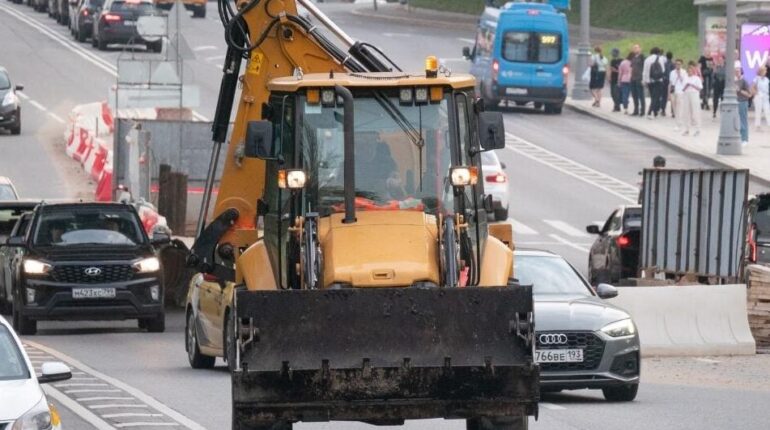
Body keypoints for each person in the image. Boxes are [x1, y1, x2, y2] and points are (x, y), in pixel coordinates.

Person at [356, 132, 405, 201]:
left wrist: (396, 182)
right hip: (357, 208)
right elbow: (346, 188)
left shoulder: (388, 162)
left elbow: (398, 193)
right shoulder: (348, 164)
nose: (367, 147)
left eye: (370, 142)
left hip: (387, 207)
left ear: (376, 142)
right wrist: (386, 183)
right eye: (363, 143)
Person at [643, 47, 667, 118]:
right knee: (656, 97)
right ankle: (650, 112)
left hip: (650, 81)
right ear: (658, 52)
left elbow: (645, 71)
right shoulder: (660, 59)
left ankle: (655, 112)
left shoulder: (647, 59)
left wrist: (646, 81)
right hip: (658, 80)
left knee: (653, 96)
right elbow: (663, 70)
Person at [682, 61, 703, 137]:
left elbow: (700, 88)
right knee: (686, 112)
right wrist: (687, 85)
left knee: (695, 112)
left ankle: (698, 129)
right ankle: (687, 129)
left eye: (691, 71)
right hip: (687, 94)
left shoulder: (696, 78)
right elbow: (683, 88)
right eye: (689, 71)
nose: (690, 72)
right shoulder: (685, 77)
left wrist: (692, 85)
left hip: (694, 94)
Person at [668, 59, 687, 131]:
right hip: (673, 91)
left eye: (679, 64)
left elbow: (684, 82)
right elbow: (670, 83)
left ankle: (679, 123)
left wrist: (679, 75)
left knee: (680, 107)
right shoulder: (672, 72)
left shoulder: (684, 72)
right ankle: (677, 121)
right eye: (676, 64)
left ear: (681, 65)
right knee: (674, 108)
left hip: (680, 91)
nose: (677, 65)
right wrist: (668, 94)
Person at [735, 67, 752, 146]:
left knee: (743, 120)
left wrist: (740, 90)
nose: (736, 72)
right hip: (735, 102)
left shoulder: (744, 81)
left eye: (738, 71)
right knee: (737, 121)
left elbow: (749, 94)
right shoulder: (734, 81)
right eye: (735, 71)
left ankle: (745, 139)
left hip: (742, 102)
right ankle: (739, 137)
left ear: (741, 72)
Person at [630, 44, 646, 116]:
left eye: (637, 48)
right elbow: (631, 67)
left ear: (640, 49)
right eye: (634, 48)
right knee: (634, 95)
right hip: (633, 78)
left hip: (639, 78)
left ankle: (642, 110)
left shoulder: (642, 57)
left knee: (641, 95)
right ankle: (636, 109)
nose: (635, 49)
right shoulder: (633, 58)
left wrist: (644, 78)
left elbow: (645, 68)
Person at [753, 66, 770, 131]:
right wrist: (757, 93)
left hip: (765, 96)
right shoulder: (756, 79)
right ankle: (758, 126)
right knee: (758, 111)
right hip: (759, 96)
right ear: (761, 71)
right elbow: (753, 87)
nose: (766, 72)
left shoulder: (767, 79)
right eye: (764, 70)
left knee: (767, 110)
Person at [711, 53, 726, 119]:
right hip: (717, 84)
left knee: (723, 98)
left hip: (723, 84)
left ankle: (723, 111)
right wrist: (714, 70)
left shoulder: (726, 67)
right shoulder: (716, 67)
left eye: (721, 59)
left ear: (723, 60)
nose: (720, 61)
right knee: (715, 99)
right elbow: (713, 76)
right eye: (719, 60)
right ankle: (714, 112)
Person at [661, 51, 674, 117]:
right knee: (672, 97)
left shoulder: (664, 64)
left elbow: (662, 73)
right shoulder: (673, 64)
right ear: (672, 57)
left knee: (664, 96)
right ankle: (673, 111)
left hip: (665, 81)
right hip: (671, 82)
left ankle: (663, 110)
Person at [609, 48, 622, 112]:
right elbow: (611, 69)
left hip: (619, 79)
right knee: (612, 93)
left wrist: (617, 71)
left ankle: (617, 106)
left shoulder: (621, 60)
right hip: (613, 78)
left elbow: (613, 69)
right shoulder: (612, 61)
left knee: (616, 93)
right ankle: (617, 105)